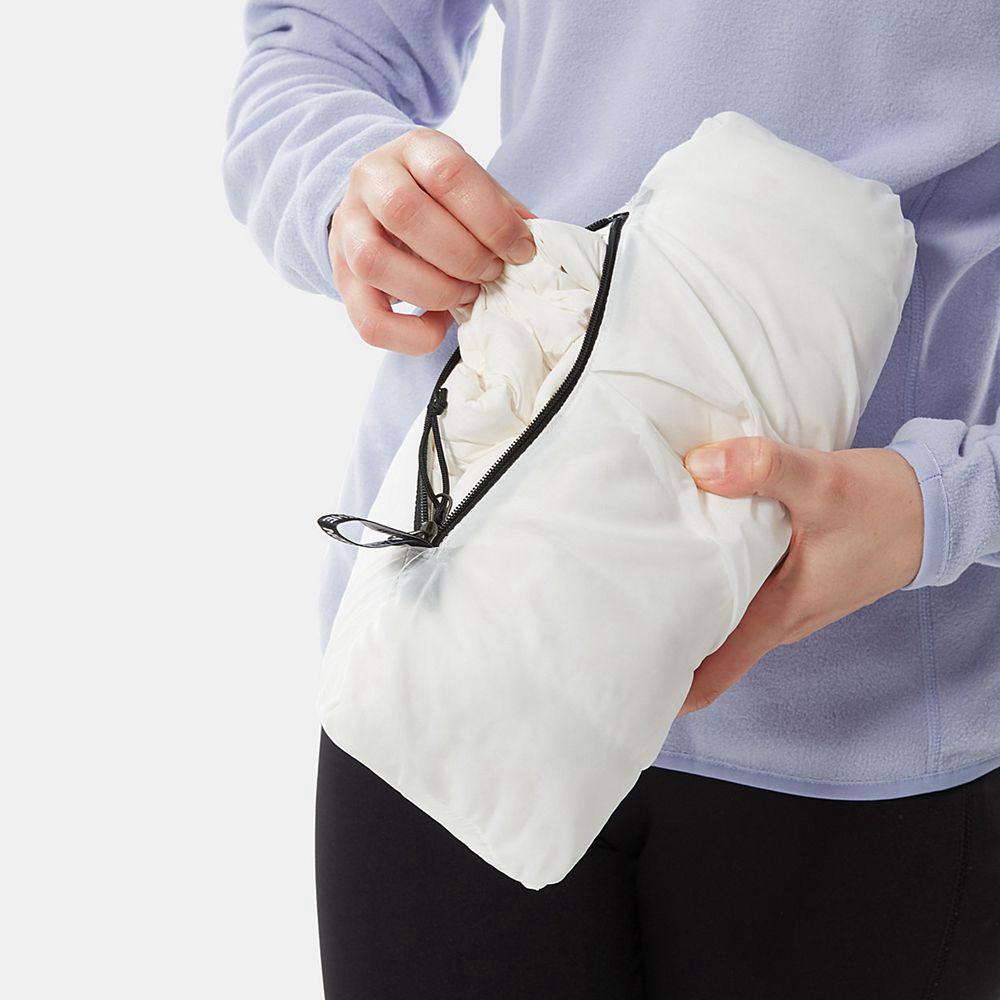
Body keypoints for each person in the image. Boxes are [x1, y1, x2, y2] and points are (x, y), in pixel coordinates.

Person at [224, 3, 1000, 997]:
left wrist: (951, 505)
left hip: (865, 719)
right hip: (458, 637)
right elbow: (322, 43)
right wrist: (354, 189)